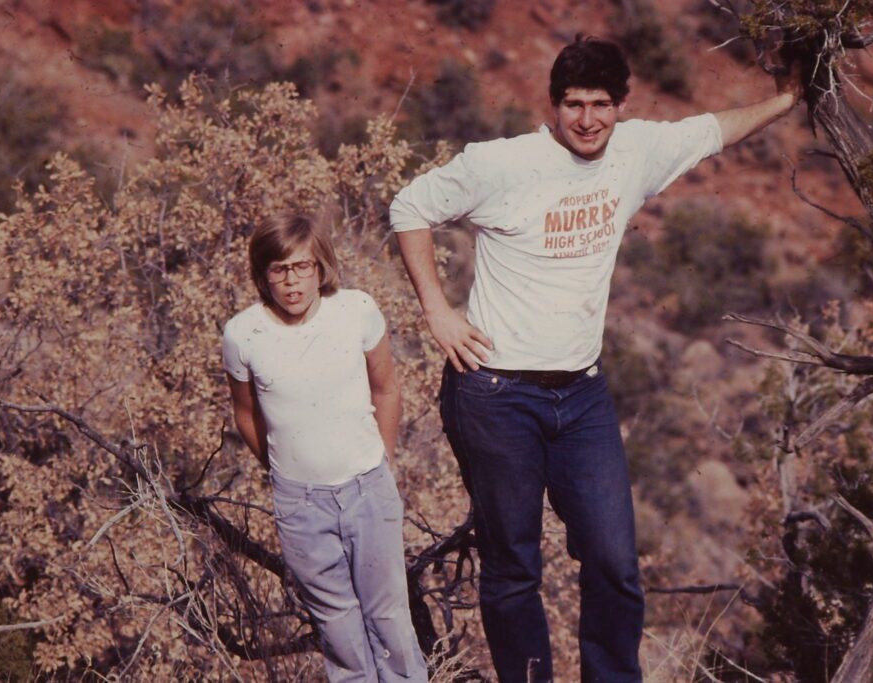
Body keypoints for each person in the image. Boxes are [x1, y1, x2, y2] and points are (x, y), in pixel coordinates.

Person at [389, 36, 800, 683]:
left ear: (621, 106)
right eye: (573, 104)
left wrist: (787, 98)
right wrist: (438, 311)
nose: (587, 119)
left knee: (613, 557)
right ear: (554, 106)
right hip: (496, 395)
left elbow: (714, 130)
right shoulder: (502, 163)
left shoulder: (636, 151)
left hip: (581, 396)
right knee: (514, 566)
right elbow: (409, 207)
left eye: (601, 105)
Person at [222, 214, 428, 682]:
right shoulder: (242, 334)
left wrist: (383, 464)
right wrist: (281, 474)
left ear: (321, 268)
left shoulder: (355, 310)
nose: (291, 281)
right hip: (301, 503)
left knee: (389, 615)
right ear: (262, 275)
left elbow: (387, 388)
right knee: (337, 626)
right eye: (278, 269)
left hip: (367, 487)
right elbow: (246, 413)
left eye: (301, 267)